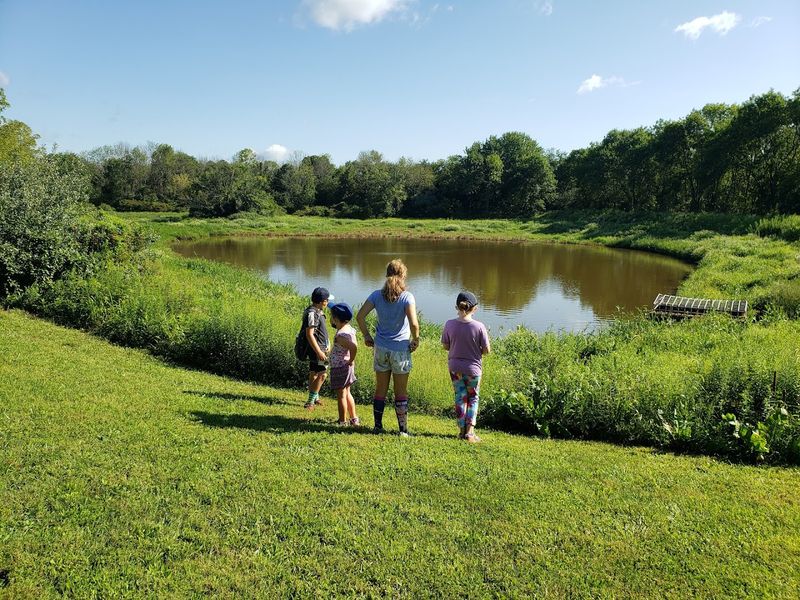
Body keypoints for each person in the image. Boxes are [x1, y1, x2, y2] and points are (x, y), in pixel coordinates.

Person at [356, 259, 420, 436]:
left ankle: (377, 426)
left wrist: (367, 336)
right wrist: (416, 340)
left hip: (381, 348)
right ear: (403, 275)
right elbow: (414, 324)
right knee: (400, 392)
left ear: (386, 275)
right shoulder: (407, 297)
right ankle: (403, 430)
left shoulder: (376, 295)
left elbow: (360, 316)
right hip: (400, 350)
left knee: (380, 390)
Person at [441, 291, 491, 443]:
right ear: (474, 308)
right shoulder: (479, 326)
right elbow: (486, 350)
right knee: (473, 398)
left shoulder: (449, 324)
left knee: (460, 397)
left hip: (455, 367)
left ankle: (461, 431)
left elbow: (445, 345)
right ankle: (470, 433)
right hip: (473, 369)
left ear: (456, 306)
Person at [328, 302, 360, 427]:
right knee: (347, 393)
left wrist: (351, 359)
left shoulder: (340, 336)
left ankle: (342, 421)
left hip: (341, 367)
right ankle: (354, 418)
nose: (330, 319)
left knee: (341, 395)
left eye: (331, 316)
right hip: (347, 367)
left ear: (336, 319)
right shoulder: (349, 329)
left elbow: (353, 347)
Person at [302, 287, 333, 410]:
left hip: (320, 348)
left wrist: (328, 344)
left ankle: (315, 397)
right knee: (323, 374)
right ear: (322, 301)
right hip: (318, 350)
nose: (328, 303)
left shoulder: (316, 311)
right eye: (327, 300)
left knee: (314, 373)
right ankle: (310, 402)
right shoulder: (312, 313)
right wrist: (319, 351)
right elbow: (309, 334)